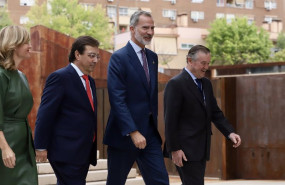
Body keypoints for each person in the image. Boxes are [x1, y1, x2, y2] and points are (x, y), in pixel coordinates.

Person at [103, 10, 169, 185]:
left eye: (152, 28)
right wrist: (133, 131)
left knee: (161, 181)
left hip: (150, 135)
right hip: (123, 135)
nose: (150, 32)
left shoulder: (153, 58)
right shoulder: (119, 58)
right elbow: (117, 98)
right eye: (145, 27)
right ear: (132, 29)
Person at [164, 45, 242, 185]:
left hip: (201, 147)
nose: (206, 67)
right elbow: (170, 120)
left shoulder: (206, 83)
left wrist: (229, 133)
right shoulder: (175, 84)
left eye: (208, 63)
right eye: (203, 63)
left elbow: (215, 112)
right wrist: (175, 149)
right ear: (190, 60)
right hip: (184, 150)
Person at [34, 36, 99, 185]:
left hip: (83, 151)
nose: (95, 60)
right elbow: (45, 114)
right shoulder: (59, 77)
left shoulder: (91, 81)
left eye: (97, 56)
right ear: (77, 55)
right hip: (65, 152)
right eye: (91, 56)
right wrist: (40, 145)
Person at [0, 25, 38, 185]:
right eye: (26, 42)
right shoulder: (1, 75)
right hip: (6, 143)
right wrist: (5, 148)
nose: (30, 46)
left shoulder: (21, 76)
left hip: (24, 143)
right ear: (14, 45)